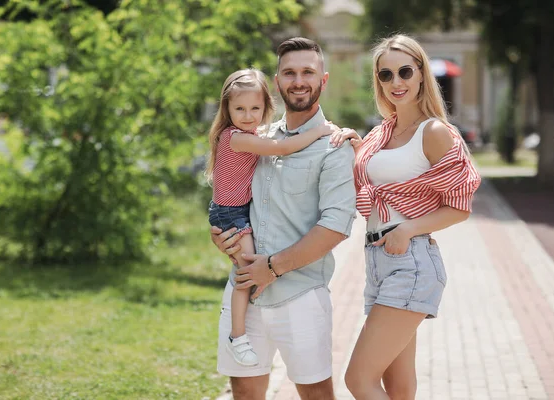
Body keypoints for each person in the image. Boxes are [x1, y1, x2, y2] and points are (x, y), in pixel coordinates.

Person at [329, 33, 481, 399]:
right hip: (379, 263)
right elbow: (367, 181)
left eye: (404, 72)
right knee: (398, 388)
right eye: (386, 75)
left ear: (420, 74)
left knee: (358, 379)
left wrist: (408, 229)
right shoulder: (382, 133)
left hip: (411, 263)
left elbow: (460, 205)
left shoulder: (433, 132)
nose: (396, 82)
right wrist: (354, 146)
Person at [210, 37, 357, 399]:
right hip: (245, 289)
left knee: (316, 394)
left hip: (300, 294)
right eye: (289, 72)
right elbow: (229, 193)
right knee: (243, 392)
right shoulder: (256, 136)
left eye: (308, 71)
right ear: (277, 82)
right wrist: (219, 234)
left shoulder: (335, 145)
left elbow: (336, 226)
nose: (298, 80)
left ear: (323, 80)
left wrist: (272, 268)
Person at [205, 68, 336, 367]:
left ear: (266, 107)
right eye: (240, 109)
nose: (248, 115)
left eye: (255, 108)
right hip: (231, 216)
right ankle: (237, 337)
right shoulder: (236, 138)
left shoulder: (249, 135)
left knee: (249, 269)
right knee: (246, 273)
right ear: (227, 109)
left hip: (235, 212)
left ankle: (256, 297)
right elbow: (282, 147)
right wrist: (319, 131)